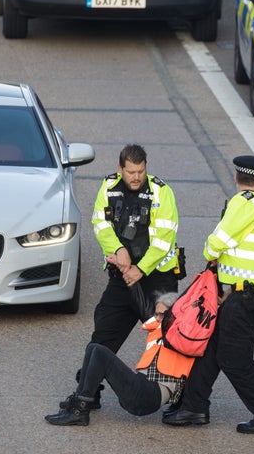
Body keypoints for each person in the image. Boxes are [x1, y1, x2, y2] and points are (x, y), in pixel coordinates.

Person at [163, 155, 254, 434]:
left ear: (236, 179)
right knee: (213, 349)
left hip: (245, 298)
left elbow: (214, 245)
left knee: (234, 359)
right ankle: (193, 407)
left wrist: (213, 252)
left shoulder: (243, 204)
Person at [60, 144, 179, 410]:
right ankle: (88, 394)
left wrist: (140, 268)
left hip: (158, 279)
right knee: (104, 335)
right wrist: (118, 250)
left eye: (141, 171)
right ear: (120, 169)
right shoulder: (109, 187)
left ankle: (187, 400)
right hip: (122, 277)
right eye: (131, 172)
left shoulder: (162, 192)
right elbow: (100, 225)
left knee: (170, 339)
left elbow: (164, 240)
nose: (136, 177)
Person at [45, 292, 193, 426]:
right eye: (156, 314)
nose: (157, 318)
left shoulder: (181, 336)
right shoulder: (160, 328)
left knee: (101, 353)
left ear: (173, 315)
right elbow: (146, 311)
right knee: (94, 347)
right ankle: (79, 401)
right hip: (143, 388)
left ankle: (79, 412)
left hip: (149, 396)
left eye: (161, 315)